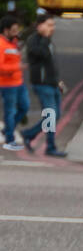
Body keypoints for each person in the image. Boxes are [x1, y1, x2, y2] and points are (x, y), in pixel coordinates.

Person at [20, 14, 67, 157]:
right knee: (51, 115)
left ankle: (29, 134)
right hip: (42, 85)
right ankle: (50, 147)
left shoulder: (47, 41)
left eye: (53, 25)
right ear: (39, 25)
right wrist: (46, 39)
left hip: (52, 84)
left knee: (55, 115)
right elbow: (42, 54)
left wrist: (57, 80)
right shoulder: (33, 41)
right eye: (49, 25)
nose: (52, 28)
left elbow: (50, 64)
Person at [1, 15, 31, 152]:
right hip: (7, 84)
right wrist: (18, 67)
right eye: (14, 30)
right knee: (10, 111)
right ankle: (9, 140)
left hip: (19, 82)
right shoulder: (1, 44)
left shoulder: (13, 42)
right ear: (5, 30)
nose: (16, 32)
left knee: (24, 107)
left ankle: (8, 129)